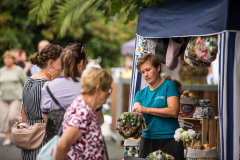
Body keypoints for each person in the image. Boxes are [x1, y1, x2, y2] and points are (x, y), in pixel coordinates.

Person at [132, 54, 184, 159]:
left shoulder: (169, 86)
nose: (145, 74)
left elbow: (173, 111)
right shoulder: (140, 94)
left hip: (170, 140)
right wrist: (133, 116)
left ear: (158, 68)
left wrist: (146, 109)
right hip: (147, 141)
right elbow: (136, 113)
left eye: (148, 70)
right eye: (143, 72)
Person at [55, 67, 113, 160]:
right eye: (108, 90)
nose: (108, 94)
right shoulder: (83, 111)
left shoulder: (85, 106)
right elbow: (62, 145)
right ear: (98, 89)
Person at [41, 43, 104, 125]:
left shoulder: (47, 88)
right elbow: (99, 121)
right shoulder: (91, 87)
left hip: (59, 137)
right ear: (81, 63)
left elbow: (46, 119)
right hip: (83, 136)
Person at [21, 44, 62, 160]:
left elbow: (23, 115)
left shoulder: (29, 80)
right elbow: (56, 114)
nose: (63, 66)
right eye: (61, 62)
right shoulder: (48, 84)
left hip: (29, 137)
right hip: (43, 138)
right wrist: (56, 84)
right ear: (51, 62)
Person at [0, 51, 27, 146]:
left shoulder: (18, 70)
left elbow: (25, 83)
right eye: (5, 58)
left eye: (9, 58)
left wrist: (26, 95)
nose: (7, 60)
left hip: (16, 97)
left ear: (13, 60)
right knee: (4, 118)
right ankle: (8, 138)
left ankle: (19, 135)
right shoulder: (1, 71)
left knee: (12, 117)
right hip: (3, 98)